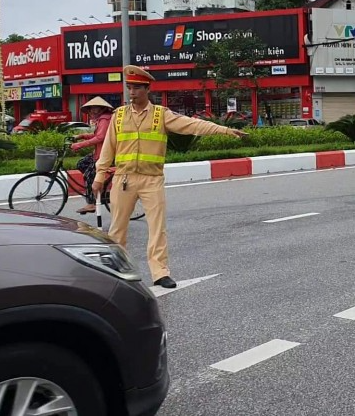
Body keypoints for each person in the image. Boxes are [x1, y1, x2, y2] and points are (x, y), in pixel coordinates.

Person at [93, 65, 248, 288]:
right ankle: (117, 271)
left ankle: (160, 272)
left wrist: (225, 130)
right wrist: (100, 175)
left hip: (152, 180)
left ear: (147, 89)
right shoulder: (118, 117)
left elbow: (193, 125)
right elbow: (108, 149)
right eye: (129, 88)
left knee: (157, 228)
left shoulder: (161, 115)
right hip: (124, 180)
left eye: (136, 88)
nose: (132, 92)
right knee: (117, 229)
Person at [71, 96, 115, 214]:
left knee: (89, 174)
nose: (90, 112)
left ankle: (91, 204)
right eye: (89, 109)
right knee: (82, 163)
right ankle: (101, 188)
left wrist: (80, 145)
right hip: (99, 153)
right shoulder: (102, 119)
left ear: (100, 109)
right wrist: (82, 136)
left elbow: (100, 137)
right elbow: (98, 135)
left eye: (93, 109)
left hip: (105, 154)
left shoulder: (105, 119)